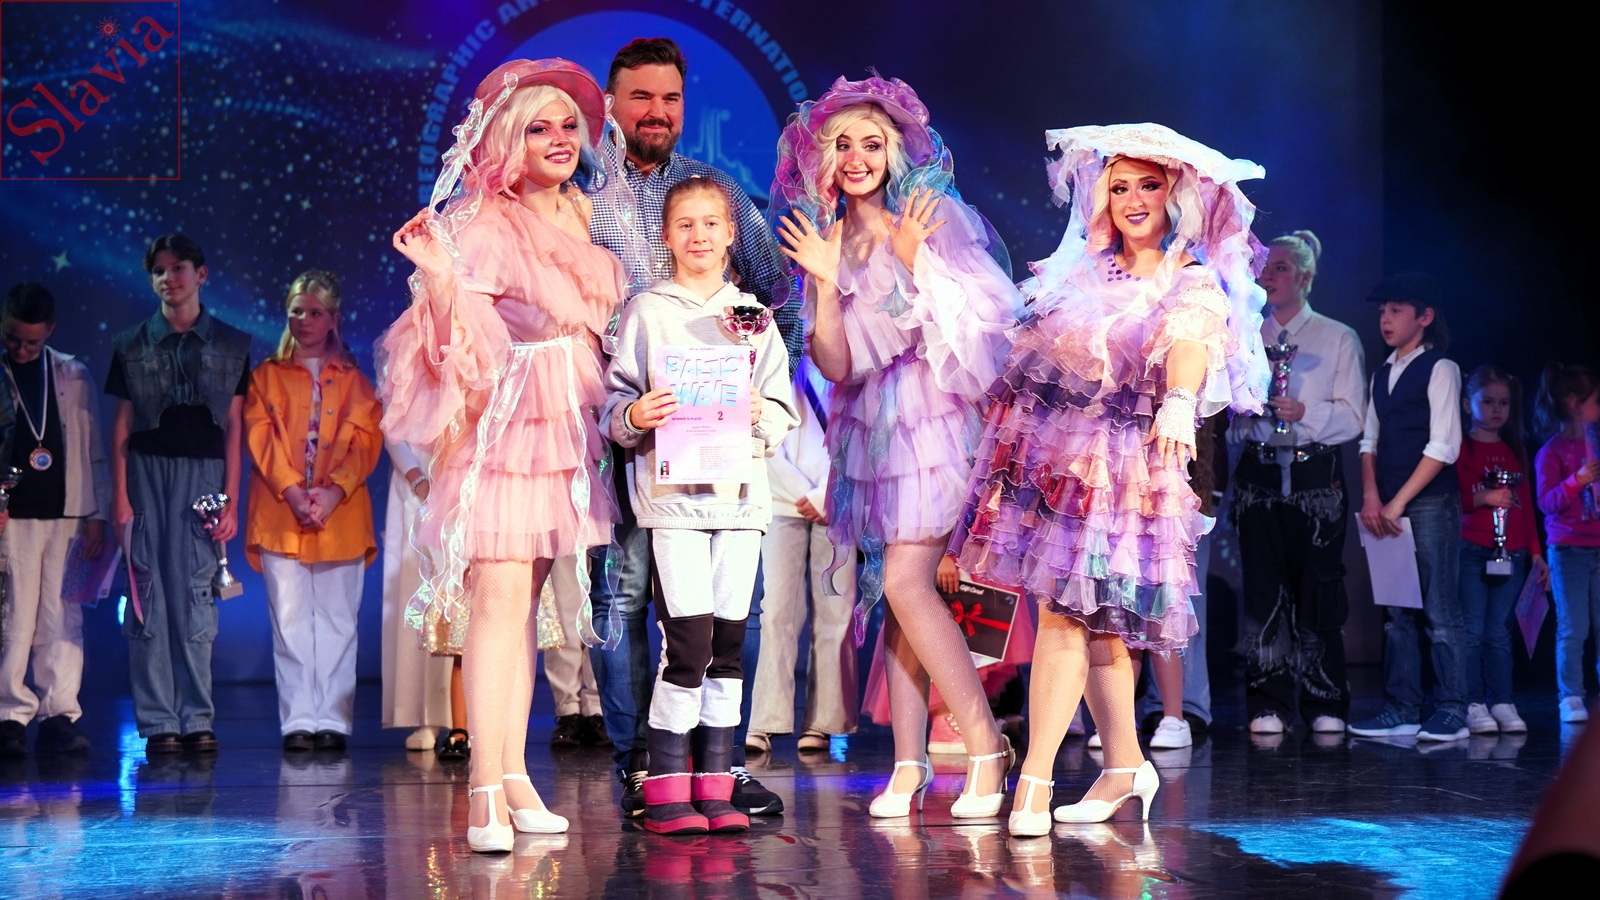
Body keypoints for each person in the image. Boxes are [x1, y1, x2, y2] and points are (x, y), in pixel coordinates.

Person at [948, 124, 1270, 836]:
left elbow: (1189, 341)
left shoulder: (1189, 276)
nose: (1133, 199)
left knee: (1070, 619)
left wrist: (1179, 400)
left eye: (1148, 185)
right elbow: (1030, 360)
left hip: (1128, 471)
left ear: (1175, 195)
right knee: (1095, 629)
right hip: (1064, 472)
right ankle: (1125, 765)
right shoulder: (1084, 272)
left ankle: (1032, 783)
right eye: (1119, 187)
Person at [384, 58, 623, 851]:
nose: (558, 139)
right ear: (504, 141)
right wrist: (441, 282)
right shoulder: (482, 223)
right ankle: (483, 788)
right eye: (537, 128)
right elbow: (457, 352)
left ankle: (514, 773)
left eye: (567, 126)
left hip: (564, 424)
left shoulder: (580, 214)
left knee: (525, 608)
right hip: (507, 427)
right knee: (497, 603)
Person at [773, 74, 1024, 820]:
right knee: (896, 597)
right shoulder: (828, 240)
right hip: (869, 428)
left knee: (910, 584)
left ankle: (985, 745)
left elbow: (991, 326)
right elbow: (838, 365)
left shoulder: (928, 216)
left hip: (935, 416)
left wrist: (916, 261)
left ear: (895, 151)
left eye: (871, 144)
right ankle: (909, 764)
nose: (857, 158)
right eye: (843, 145)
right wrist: (824, 285)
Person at [587, 36, 797, 819]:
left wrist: (751, 406)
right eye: (641, 97)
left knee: (730, 615)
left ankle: (722, 765)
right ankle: (643, 764)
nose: (657, 111)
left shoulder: (719, 190)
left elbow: (776, 297)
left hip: (725, 459)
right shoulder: (584, 191)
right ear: (611, 102)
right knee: (628, 598)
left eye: (670, 98)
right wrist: (623, 414)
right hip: (625, 436)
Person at [107, 233, 252, 757]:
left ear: (200, 274)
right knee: (147, 595)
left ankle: (197, 717)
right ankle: (158, 721)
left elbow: (234, 427)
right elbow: (122, 426)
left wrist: (230, 497)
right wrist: (120, 498)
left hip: (204, 478)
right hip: (146, 475)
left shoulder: (231, 344)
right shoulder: (131, 344)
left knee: (195, 596)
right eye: (159, 271)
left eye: (178, 268)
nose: (169, 278)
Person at [1229, 230, 1366, 735]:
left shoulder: (1337, 337)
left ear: (1306, 277)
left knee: (1319, 588)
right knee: (1263, 589)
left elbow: (1354, 415)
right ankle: (1268, 701)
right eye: (1264, 267)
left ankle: (1324, 698)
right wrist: (1249, 413)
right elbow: (1228, 418)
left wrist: (1305, 412)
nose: (1268, 276)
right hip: (1259, 472)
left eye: (1281, 267)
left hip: (1315, 475)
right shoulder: (1243, 337)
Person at [244, 269, 381, 753]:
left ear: (333, 319)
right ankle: (299, 720)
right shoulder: (265, 377)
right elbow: (260, 437)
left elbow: (366, 442)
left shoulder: (355, 381)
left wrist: (332, 492)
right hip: (281, 514)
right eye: (296, 311)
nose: (304, 320)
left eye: (315, 312)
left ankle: (334, 720)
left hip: (340, 517)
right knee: (290, 622)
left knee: (339, 622)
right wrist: (294, 492)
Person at [1349, 273, 1466, 741]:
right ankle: (1403, 706)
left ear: (1425, 316)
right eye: (1383, 311)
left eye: (1396, 310)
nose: (1386, 318)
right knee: (1397, 612)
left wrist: (1398, 502)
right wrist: (1373, 497)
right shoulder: (1382, 373)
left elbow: (1444, 446)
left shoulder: (1440, 367)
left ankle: (1453, 709)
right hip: (1388, 506)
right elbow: (1369, 441)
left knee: (1439, 610)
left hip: (1430, 503)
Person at [0, 283, 108, 758]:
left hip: (69, 515)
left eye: (32, 342)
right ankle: (8, 715)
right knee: (13, 614)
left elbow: (94, 448)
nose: (21, 349)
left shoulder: (73, 374)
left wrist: (98, 514)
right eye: (13, 338)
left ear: (51, 331)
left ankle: (59, 714)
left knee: (62, 615)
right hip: (12, 518)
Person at [746, 355, 859, 755]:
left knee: (836, 614)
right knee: (775, 612)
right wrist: (803, 492)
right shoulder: (771, 355)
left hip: (839, 498)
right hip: (780, 499)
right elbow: (761, 430)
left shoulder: (845, 359)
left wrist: (828, 491)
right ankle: (764, 719)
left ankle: (825, 723)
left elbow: (861, 431)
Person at [1457, 365, 1543, 734]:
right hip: (1472, 547)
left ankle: (1503, 701)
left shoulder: (1515, 448)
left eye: (1504, 403)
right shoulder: (1461, 447)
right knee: (1472, 630)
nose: (1496, 410)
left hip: (1514, 551)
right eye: (1488, 401)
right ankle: (1473, 702)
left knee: (1499, 632)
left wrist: (1536, 552)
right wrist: (1484, 497)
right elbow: (1454, 498)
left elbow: (1526, 504)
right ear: (1467, 404)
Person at [378, 438, 456, 752]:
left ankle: (465, 719)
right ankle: (427, 716)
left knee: (457, 597)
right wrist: (417, 477)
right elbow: (391, 428)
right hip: (414, 483)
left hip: (461, 473)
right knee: (420, 594)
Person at [1533, 363, 1600, 724]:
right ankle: (1571, 695)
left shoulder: (1596, 445)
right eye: (1595, 401)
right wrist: (1577, 480)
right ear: (1575, 404)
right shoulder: (1552, 451)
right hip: (1569, 549)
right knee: (1574, 627)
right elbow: (1547, 502)